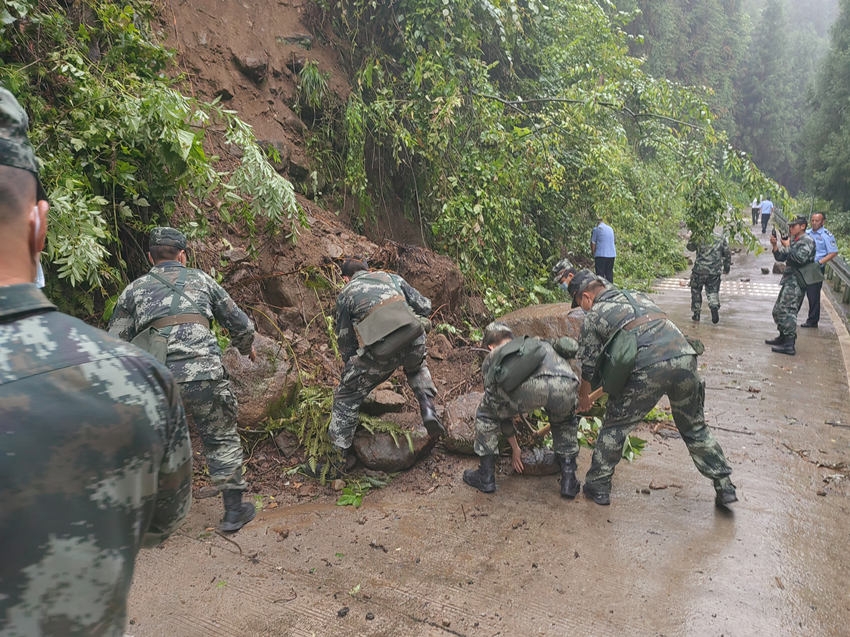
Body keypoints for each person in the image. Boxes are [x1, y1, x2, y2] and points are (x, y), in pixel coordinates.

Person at [0, 87, 192, 635]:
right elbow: (159, 524)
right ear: (40, 224)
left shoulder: (134, 294)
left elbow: (118, 327)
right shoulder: (136, 383)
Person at [108, 226, 257, 532]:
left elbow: (115, 344)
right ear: (183, 255)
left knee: (153, 445)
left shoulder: (134, 290)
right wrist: (246, 348)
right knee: (220, 437)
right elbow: (239, 322)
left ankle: (151, 519)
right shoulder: (202, 280)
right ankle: (233, 512)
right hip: (205, 374)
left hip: (159, 380)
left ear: (150, 257)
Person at [570, 270, 736, 507]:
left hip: (647, 368)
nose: (582, 309)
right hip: (684, 358)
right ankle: (725, 485)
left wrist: (584, 396)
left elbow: (587, 365)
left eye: (579, 303)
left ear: (586, 297)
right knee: (695, 427)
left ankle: (598, 486)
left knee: (615, 427)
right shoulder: (638, 296)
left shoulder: (595, 314)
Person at [323, 258, 444, 474]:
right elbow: (425, 305)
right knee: (417, 367)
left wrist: (350, 372)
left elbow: (345, 340)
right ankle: (427, 408)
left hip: (381, 353)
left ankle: (335, 462)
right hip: (414, 340)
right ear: (368, 270)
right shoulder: (391, 277)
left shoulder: (346, 293)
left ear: (345, 278)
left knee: (345, 397)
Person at [462, 322, 581, 497]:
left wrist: (515, 448)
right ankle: (569, 480)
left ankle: (485, 476)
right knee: (564, 422)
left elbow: (498, 411)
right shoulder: (535, 342)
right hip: (567, 382)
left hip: (530, 390)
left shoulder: (494, 357)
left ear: (490, 346)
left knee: (486, 415)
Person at [765, 216, 816, 355]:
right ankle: (783, 337)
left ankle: (789, 344)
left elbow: (800, 259)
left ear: (803, 226)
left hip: (797, 281)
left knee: (788, 311)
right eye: (790, 226)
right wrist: (775, 246)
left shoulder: (807, 241)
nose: (791, 228)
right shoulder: (795, 240)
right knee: (778, 310)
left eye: (794, 226)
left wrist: (787, 246)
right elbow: (781, 257)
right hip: (789, 280)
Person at [801, 212, 839, 328]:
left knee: (813, 296)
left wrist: (819, 263)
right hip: (804, 267)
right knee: (799, 293)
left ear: (823, 222)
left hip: (816, 269)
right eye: (812, 220)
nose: (814, 223)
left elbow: (833, 252)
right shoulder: (807, 233)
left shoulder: (826, 235)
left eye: (817, 221)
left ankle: (812, 321)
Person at [687, 230, 731, 323]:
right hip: (714, 271)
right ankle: (714, 306)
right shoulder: (720, 237)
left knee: (696, 291)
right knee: (713, 291)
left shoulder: (698, 236)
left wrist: (692, 237)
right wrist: (726, 267)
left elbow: (690, 247)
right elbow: (727, 253)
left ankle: (696, 313)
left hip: (699, 270)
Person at [590, 218, 616, 283]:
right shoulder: (610, 229)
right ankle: (611, 290)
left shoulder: (596, 229)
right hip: (612, 255)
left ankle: (601, 290)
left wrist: (593, 254)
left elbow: (593, 243)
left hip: (601, 255)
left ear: (597, 223)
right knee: (609, 273)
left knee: (600, 275)